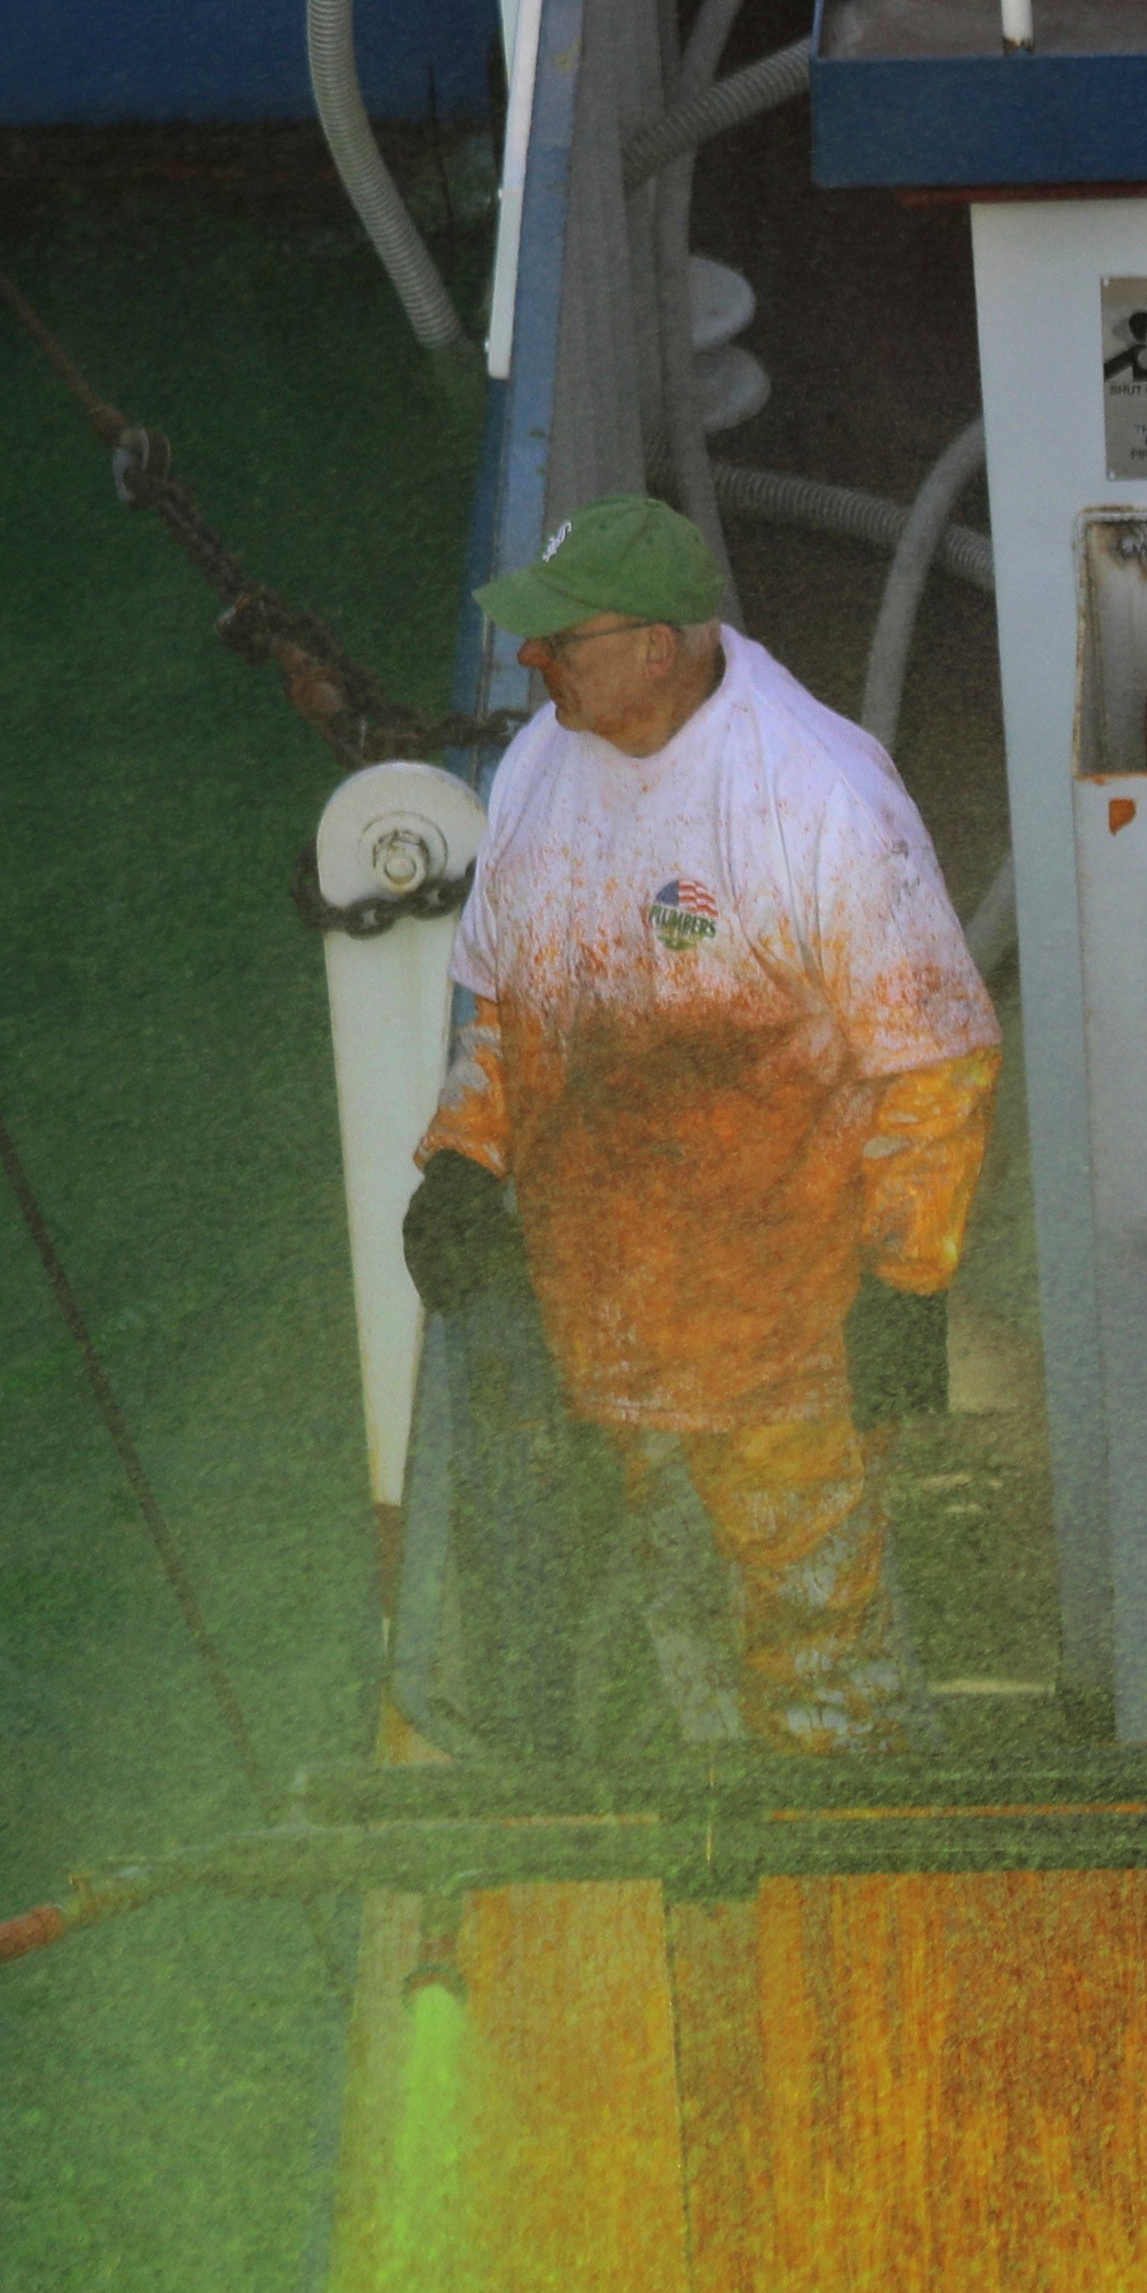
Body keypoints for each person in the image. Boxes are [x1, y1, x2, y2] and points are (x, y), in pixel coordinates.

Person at [400, 490, 998, 1757]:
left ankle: (870, 1872)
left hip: (788, 1333)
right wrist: (463, 1157)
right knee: (688, 1625)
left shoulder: (816, 796)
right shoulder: (538, 768)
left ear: (657, 647)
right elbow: (505, 1006)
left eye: (562, 636)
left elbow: (936, 1064)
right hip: (607, 1317)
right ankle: (738, 1875)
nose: (529, 658)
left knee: (819, 1645)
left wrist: (906, 1283)